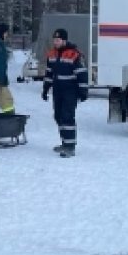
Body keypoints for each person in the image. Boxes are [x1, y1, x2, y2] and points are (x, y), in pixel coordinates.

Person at [41, 27, 87, 158]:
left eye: (58, 40)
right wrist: (45, 88)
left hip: (70, 91)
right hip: (58, 90)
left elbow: (82, 74)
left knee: (67, 117)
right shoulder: (52, 54)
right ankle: (64, 142)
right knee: (58, 116)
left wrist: (83, 91)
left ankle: (70, 147)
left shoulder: (74, 54)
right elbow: (49, 73)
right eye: (54, 40)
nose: (55, 42)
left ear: (64, 40)